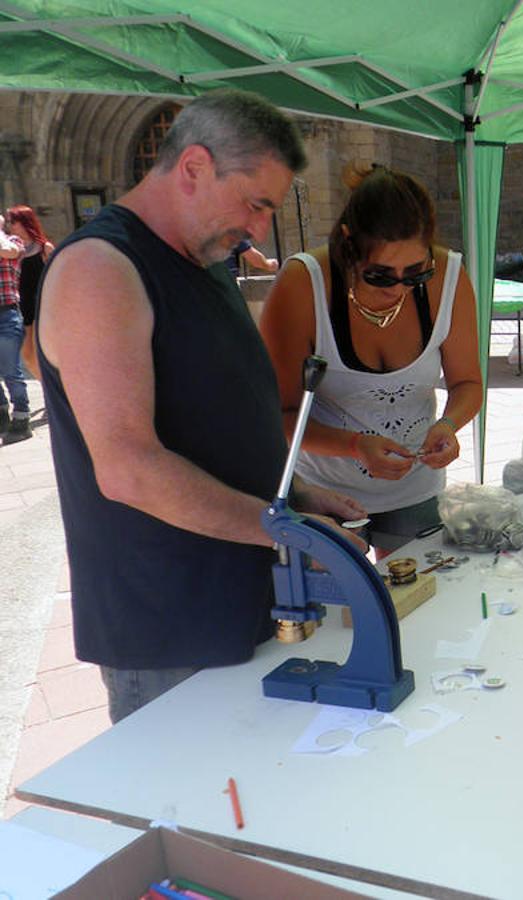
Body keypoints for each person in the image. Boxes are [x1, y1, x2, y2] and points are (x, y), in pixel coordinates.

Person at [36, 89, 367, 724]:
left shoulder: (204, 254)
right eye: (256, 202)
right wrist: (286, 528)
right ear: (193, 168)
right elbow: (128, 467)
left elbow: (219, 417)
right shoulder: (101, 270)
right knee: (192, 821)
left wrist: (294, 494)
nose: (261, 227)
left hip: (251, 604)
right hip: (169, 630)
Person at [260, 164, 482, 556]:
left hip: (417, 491)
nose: (399, 289)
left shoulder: (449, 276)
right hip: (326, 496)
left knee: (425, 605)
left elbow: (468, 384)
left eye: (415, 274)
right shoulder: (302, 285)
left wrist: (448, 424)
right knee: (340, 614)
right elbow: (278, 416)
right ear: (349, 244)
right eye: (380, 276)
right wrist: (354, 445)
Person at [5, 205, 53, 381]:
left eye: (13, 221)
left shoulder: (44, 248)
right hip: (21, 303)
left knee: (43, 352)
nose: (10, 225)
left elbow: (57, 274)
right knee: (26, 354)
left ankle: (54, 393)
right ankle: (48, 388)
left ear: (25, 222)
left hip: (42, 303)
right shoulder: (11, 247)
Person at [0, 215, 30, 444]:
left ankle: (21, 417)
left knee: (11, 370)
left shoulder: (13, 242)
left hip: (7, 313)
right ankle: (2, 411)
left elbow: (8, 251)